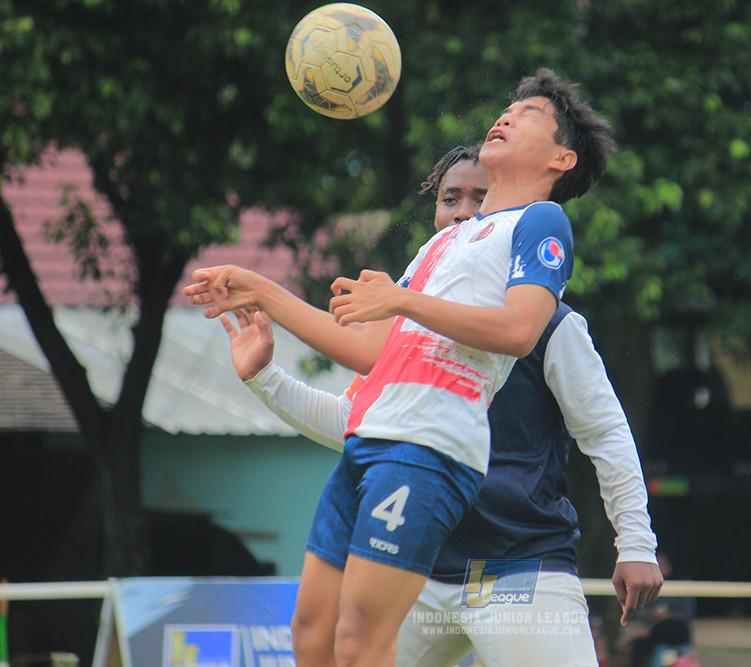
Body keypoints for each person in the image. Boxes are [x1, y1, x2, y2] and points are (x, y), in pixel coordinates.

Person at [184, 69, 618, 667]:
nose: (508, 115)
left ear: (562, 157)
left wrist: (402, 300)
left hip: (430, 450)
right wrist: (261, 290)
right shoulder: (436, 248)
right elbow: (370, 352)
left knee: (363, 641)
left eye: (531, 114)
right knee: (315, 637)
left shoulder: (540, 224)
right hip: (371, 444)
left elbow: (520, 332)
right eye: (507, 108)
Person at [617, 554, 698, 667]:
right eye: (657, 565)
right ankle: (639, 636)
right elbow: (638, 610)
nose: (661, 568)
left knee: (671, 627)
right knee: (639, 646)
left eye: (663, 564)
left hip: (675, 628)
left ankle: (638, 635)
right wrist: (652, 614)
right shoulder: (645, 584)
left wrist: (669, 615)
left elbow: (687, 613)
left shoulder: (682, 583)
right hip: (652, 625)